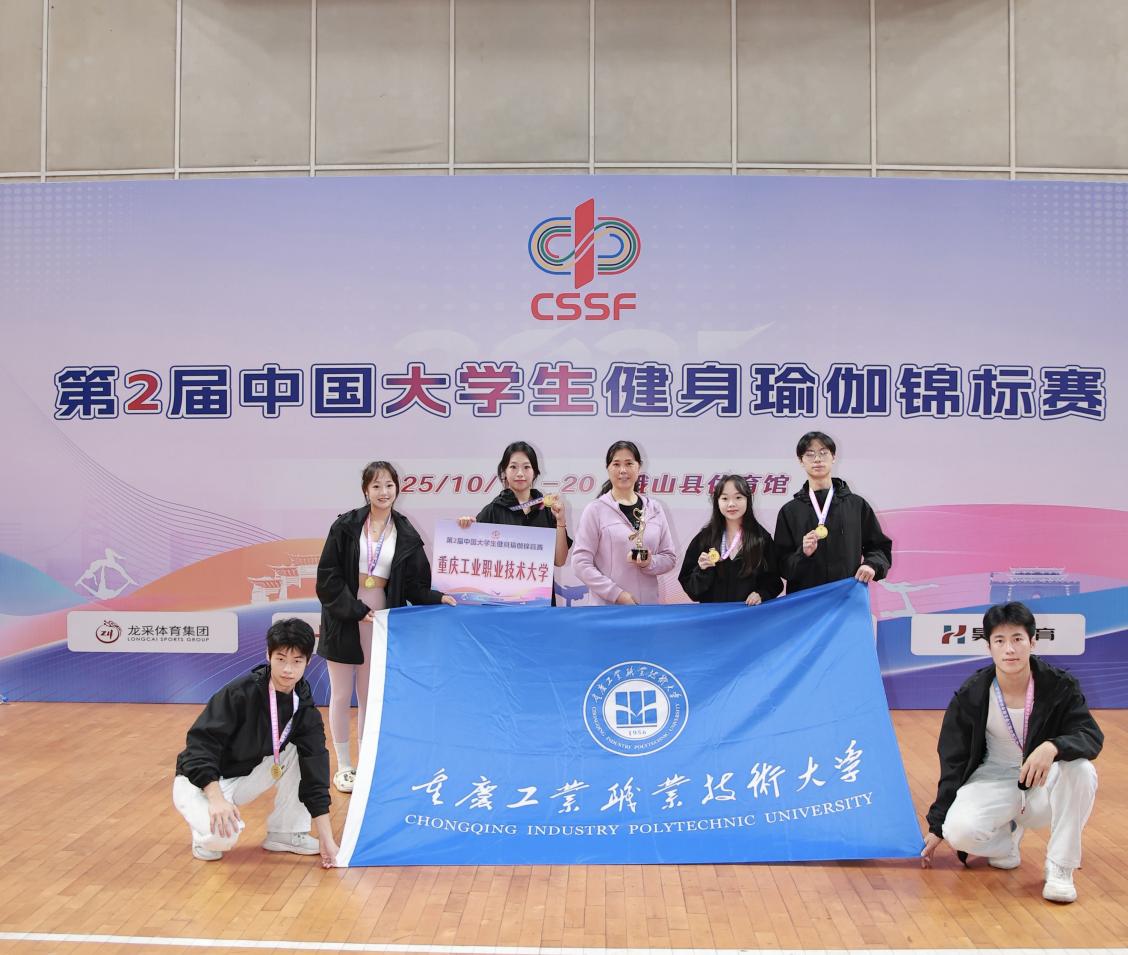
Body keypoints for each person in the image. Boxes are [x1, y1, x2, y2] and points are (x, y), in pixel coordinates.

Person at [920, 602, 1102, 903]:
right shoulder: (972, 694)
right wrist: (937, 826)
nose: (1010, 649)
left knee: (1081, 770)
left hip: (1043, 783)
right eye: (1000, 641)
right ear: (988, 646)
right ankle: (1007, 838)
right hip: (994, 778)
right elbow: (953, 762)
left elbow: (1090, 735)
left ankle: (1060, 866)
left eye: (1017, 639)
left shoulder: (1059, 686)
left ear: (1033, 641)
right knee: (959, 831)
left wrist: (1053, 747)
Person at [316, 460, 456, 794]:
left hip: (380, 618)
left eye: (389, 485)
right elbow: (328, 578)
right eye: (376, 486)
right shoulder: (345, 526)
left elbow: (414, 585)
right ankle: (344, 766)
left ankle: (367, 764)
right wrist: (354, 609)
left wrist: (438, 598)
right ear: (366, 490)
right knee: (340, 694)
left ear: (398, 489)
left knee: (369, 696)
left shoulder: (405, 532)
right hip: (344, 616)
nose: (384, 492)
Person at [172, 618, 338, 867]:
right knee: (222, 840)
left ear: (308, 662)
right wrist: (216, 799)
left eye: (297, 661)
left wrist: (327, 839)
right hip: (200, 782)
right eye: (281, 659)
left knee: (301, 751)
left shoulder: (302, 703)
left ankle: (286, 832)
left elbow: (316, 767)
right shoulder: (239, 693)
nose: (288, 670)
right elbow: (200, 745)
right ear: (268, 655)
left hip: (243, 777)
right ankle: (202, 836)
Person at [773, 431, 892, 594]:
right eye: (810, 454)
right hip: (807, 601)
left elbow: (879, 547)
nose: (817, 459)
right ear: (801, 461)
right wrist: (803, 553)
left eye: (823, 453)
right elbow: (781, 566)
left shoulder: (856, 505)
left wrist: (871, 565)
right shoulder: (790, 511)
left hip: (847, 597)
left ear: (833, 457)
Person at [571, 440, 676, 605]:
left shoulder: (655, 509)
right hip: (609, 609)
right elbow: (580, 563)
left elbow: (669, 558)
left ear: (639, 467)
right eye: (616, 464)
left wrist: (650, 562)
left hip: (647, 607)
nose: (623, 470)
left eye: (629, 463)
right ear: (607, 468)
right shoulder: (595, 510)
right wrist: (616, 594)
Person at [456, 440, 572, 573]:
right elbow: (471, 557)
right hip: (502, 586)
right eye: (513, 467)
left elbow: (559, 560)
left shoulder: (546, 508)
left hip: (539, 585)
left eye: (526, 467)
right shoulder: (493, 510)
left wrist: (560, 520)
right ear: (504, 471)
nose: (520, 473)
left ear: (535, 472)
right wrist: (466, 529)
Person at [678, 474, 782, 605]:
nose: (731, 504)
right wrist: (702, 571)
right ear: (717, 502)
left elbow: (774, 582)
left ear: (748, 500)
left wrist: (761, 594)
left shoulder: (761, 539)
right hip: (714, 616)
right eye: (725, 498)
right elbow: (692, 591)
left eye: (738, 497)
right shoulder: (704, 539)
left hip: (749, 615)